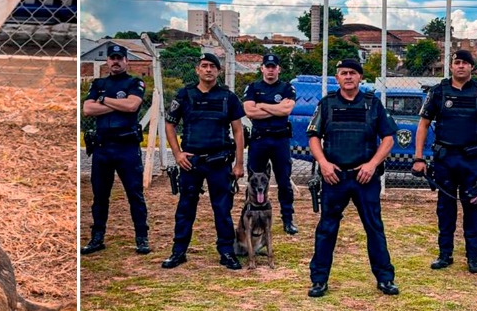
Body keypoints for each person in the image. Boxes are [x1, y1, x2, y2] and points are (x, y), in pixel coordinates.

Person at [306, 57, 398, 298]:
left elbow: (389, 138)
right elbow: (313, 136)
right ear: (337, 78)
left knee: (374, 228)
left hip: (364, 177)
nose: (348, 76)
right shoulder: (326, 104)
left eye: (353, 73)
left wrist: (372, 164)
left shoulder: (372, 104)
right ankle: (318, 280)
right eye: (343, 73)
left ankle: (385, 279)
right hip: (334, 177)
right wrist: (323, 164)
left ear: (360, 77)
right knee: (326, 229)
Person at [412, 49, 477, 274]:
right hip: (445, 160)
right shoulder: (438, 93)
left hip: (472, 161)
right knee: (445, 209)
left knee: (472, 209)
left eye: (465, 63)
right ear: (451, 66)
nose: (461, 66)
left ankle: (474, 258)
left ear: (473, 67)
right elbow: (422, 125)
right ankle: (445, 255)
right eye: (457, 62)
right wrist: (419, 157)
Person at [163, 54, 245, 270]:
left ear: (218, 71)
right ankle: (178, 251)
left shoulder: (228, 97)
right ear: (197, 70)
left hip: (219, 161)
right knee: (186, 208)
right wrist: (178, 154)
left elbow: (238, 131)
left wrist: (239, 164)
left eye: (212, 67)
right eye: (204, 66)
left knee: (222, 209)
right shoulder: (184, 95)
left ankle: (226, 252)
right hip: (192, 162)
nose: (208, 70)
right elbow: (169, 125)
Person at [82, 43, 151, 255]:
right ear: (107, 61)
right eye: (112, 58)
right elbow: (87, 109)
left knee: (134, 194)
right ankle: (97, 237)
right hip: (103, 147)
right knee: (100, 196)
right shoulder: (99, 83)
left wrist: (102, 100)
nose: (116, 62)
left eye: (120, 58)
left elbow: (132, 106)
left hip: (126, 148)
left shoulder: (134, 82)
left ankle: (141, 237)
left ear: (126, 61)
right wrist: (115, 104)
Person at [242, 52, 298, 235]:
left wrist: (262, 105)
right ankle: (251, 218)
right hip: (259, 140)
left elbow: (286, 110)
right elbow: (250, 112)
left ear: (278, 69)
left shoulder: (287, 88)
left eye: (274, 67)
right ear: (262, 68)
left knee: (284, 182)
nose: (271, 70)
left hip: (280, 140)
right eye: (268, 66)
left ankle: (288, 219)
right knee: (254, 181)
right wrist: (275, 109)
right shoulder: (252, 87)